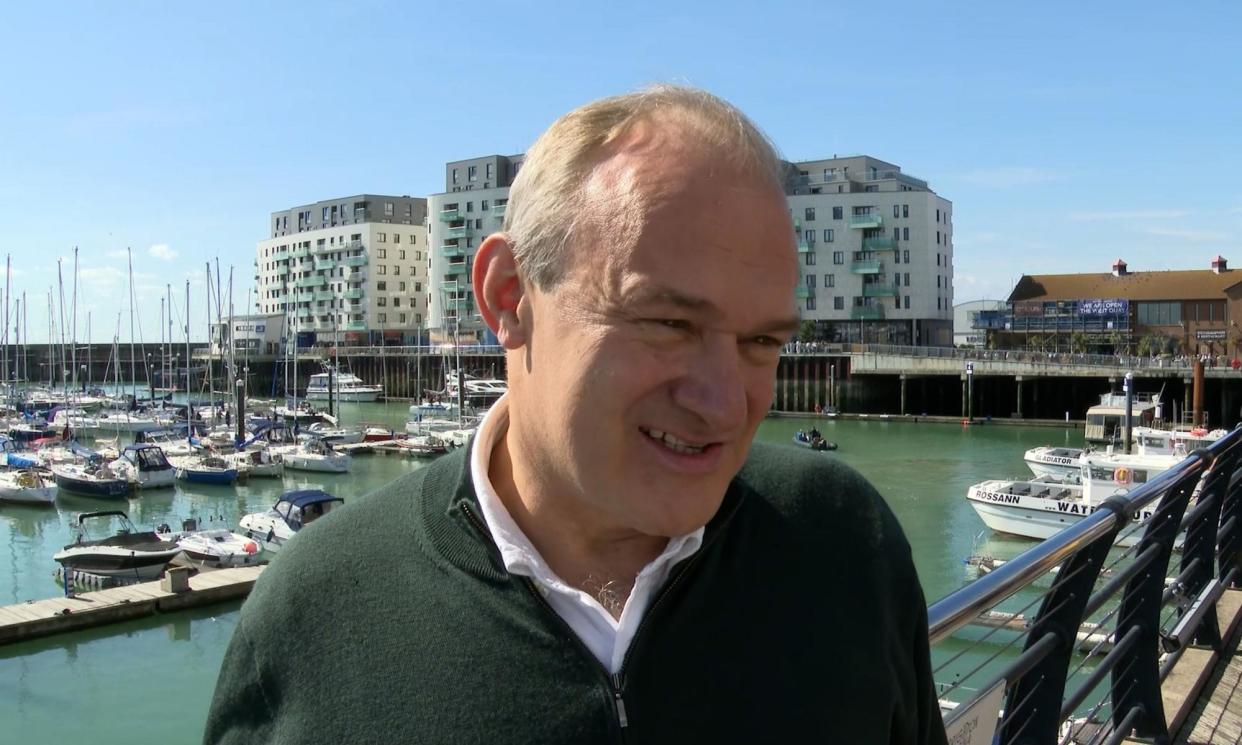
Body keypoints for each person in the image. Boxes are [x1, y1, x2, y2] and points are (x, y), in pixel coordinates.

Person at [204, 86, 947, 744]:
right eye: (667, 323)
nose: (724, 402)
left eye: (761, 341)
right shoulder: (316, 611)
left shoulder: (845, 544)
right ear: (508, 296)